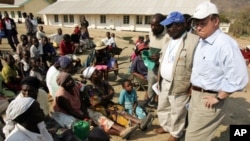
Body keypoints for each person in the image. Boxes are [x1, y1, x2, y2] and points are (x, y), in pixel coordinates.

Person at [185, 2, 249, 141]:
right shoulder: (202, 41)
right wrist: (193, 88)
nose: (198, 27)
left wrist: (219, 97)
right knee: (195, 134)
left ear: (216, 21)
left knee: (192, 138)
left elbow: (240, 77)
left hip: (210, 99)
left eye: (203, 22)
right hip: (196, 97)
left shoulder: (225, 44)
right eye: (196, 23)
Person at [155, 11, 200, 141]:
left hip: (181, 83)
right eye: (167, 26)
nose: (167, 29)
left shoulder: (194, 41)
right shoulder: (168, 39)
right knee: (163, 107)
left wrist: (193, 85)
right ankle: (166, 126)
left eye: (170, 26)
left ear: (180, 26)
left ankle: (175, 134)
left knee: (178, 111)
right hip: (164, 81)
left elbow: (197, 66)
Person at [53, 72, 138, 139]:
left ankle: (122, 129)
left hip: (79, 109)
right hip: (67, 115)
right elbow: (70, 111)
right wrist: (85, 118)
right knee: (88, 127)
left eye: (70, 78)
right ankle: (120, 133)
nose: (70, 81)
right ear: (62, 85)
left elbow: (81, 102)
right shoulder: (61, 96)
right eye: (67, 82)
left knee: (98, 116)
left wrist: (85, 114)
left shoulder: (74, 86)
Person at [145, 13, 167, 107]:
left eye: (156, 25)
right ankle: (150, 102)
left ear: (162, 24)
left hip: (163, 66)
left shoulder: (169, 35)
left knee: (162, 86)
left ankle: (161, 104)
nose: (153, 28)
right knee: (151, 83)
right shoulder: (151, 33)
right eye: (151, 25)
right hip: (151, 65)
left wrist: (160, 57)